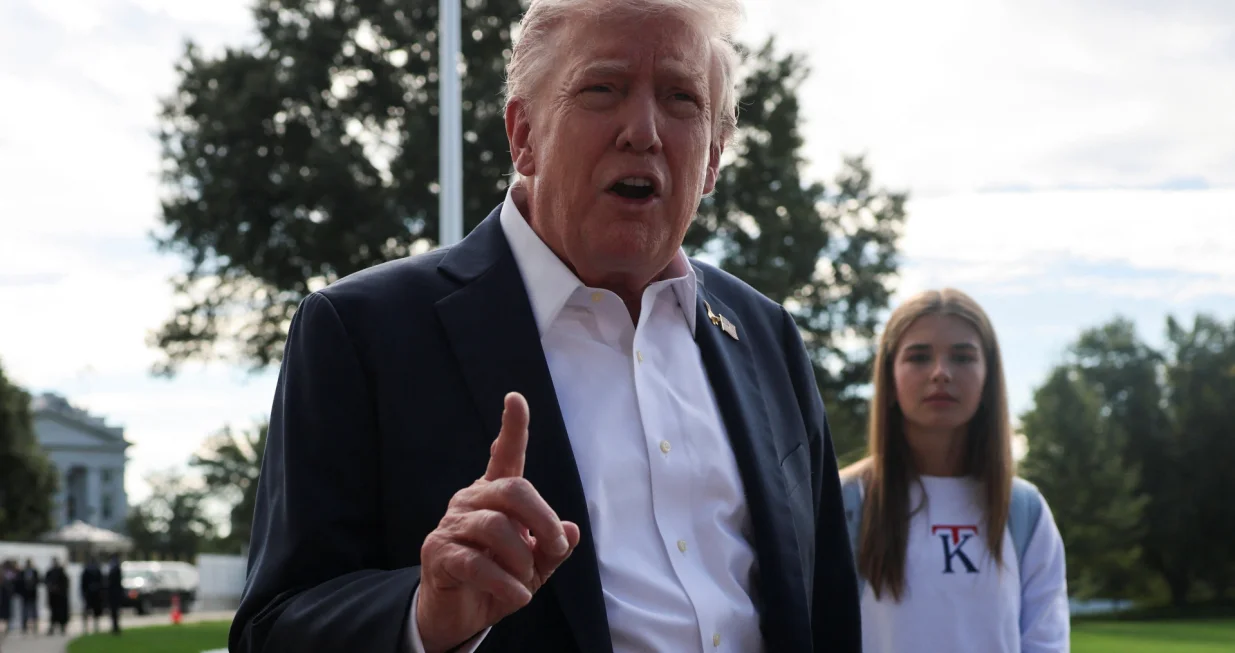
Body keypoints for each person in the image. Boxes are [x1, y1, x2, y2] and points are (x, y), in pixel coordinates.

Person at [228, 0, 862, 651]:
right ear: (523, 134)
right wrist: (425, 615)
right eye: (602, 89)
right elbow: (273, 627)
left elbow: (829, 609)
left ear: (713, 160)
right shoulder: (363, 332)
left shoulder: (766, 337)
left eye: (680, 98)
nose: (642, 130)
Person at [839, 288, 1070, 653]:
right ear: (890, 377)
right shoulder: (844, 502)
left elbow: (1046, 643)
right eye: (918, 356)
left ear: (987, 377)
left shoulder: (1024, 510)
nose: (941, 373)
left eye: (962, 357)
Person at [44, 558, 69, 635]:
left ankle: (60, 628)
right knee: (54, 615)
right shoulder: (51, 572)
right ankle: (55, 628)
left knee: (58, 614)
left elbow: (65, 584)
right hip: (54, 598)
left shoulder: (60, 573)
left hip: (59, 598)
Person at [80, 557, 105, 634]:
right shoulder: (97, 570)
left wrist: (83, 593)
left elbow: (83, 584)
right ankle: (95, 627)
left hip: (89, 593)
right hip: (94, 593)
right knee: (95, 611)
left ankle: (86, 627)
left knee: (88, 610)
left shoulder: (87, 570)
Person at [16, 560, 38, 636]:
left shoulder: (34, 572)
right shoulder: (22, 573)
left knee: (33, 611)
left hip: (32, 595)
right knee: (24, 612)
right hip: (25, 595)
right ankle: (24, 626)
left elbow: (37, 581)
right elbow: (19, 582)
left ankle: (34, 626)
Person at [105, 555, 123, 635]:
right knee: (114, 612)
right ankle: (115, 627)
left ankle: (115, 627)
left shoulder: (115, 570)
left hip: (114, 594)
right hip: (114, 594)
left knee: (114, 612)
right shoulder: (115, 569)